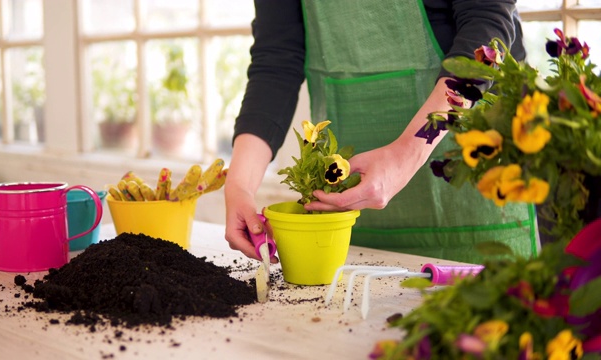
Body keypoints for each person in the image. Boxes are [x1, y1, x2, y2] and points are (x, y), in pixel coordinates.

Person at [225, 0, 538, 264]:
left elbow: (486, 32)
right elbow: (276, 63)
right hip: (359, 214)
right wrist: (239, 185)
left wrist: (404, 154)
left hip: (478, 203)